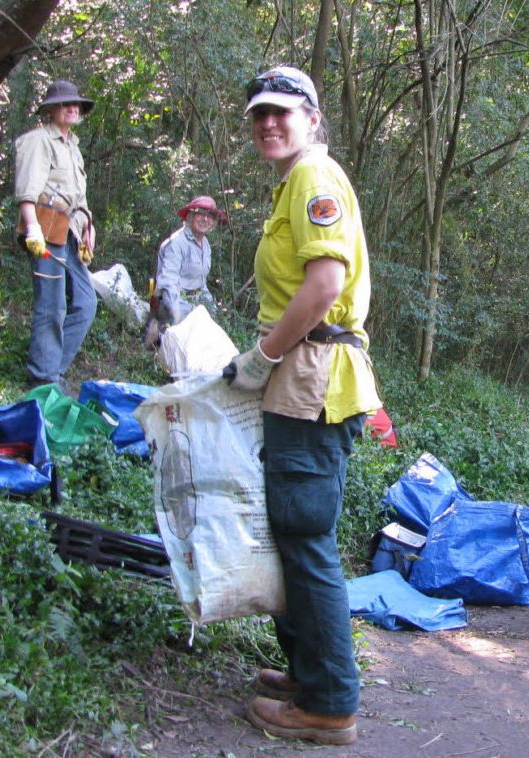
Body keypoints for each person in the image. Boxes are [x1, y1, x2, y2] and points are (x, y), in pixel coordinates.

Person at [224, 66, 380, 745]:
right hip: (305, 373)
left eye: (283, 113)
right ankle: (309, 672)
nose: (269, 123)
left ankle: (329, 704)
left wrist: (261, 358)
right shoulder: (294, 184)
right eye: (260, 113)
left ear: (313, 119)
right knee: (292, 530)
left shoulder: (315, 178)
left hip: (314, 375)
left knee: (306, 533)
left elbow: (323, 286)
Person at [14, 79, 97, 390]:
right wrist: (31, 227)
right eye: (65, 103)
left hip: (71, 233)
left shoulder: (73, 147)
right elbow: (27, 190)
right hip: (45, 230)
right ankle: (44, 376)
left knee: (87, 304)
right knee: (52, 304)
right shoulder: (38, 141)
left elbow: (79, 198)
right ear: (52, 109)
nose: (72, 108)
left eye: (75, 103)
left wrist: (89, 228)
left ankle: (49, 366)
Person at [152, 195, 225, 326]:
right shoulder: (177, 243)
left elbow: (201, 283)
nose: (205, 219)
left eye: (209, 216)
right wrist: (177, 316)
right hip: (174, 303)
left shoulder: (205, 244)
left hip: (195, 302)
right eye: (200, 214)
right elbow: (168, 284)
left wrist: (212, 310)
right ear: (190, 217)